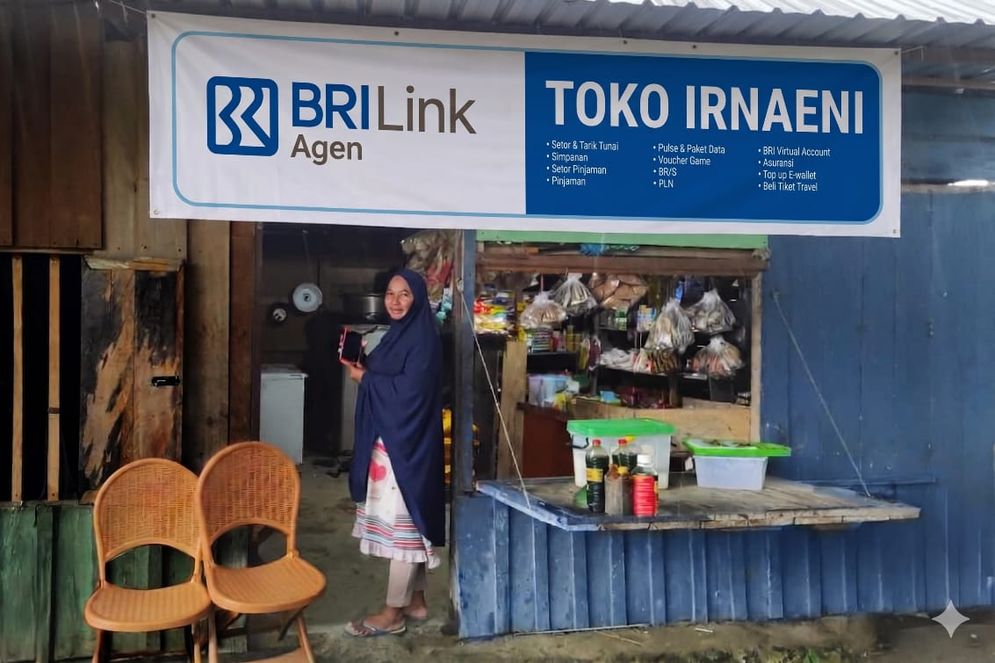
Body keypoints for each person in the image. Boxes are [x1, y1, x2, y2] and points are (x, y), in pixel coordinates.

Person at [341, 269, 445, 637]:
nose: (395, 301)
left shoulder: (423, 339)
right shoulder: (399, 334)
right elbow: (392, 376)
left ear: (417, 299)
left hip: (407, 449)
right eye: (390, 293)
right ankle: (416, 602)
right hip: (391, 445)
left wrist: (366, 379)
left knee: (403, 527)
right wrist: (362, 364)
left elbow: (410, 393)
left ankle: (392, 613)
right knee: (410, 523)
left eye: (404, 294)